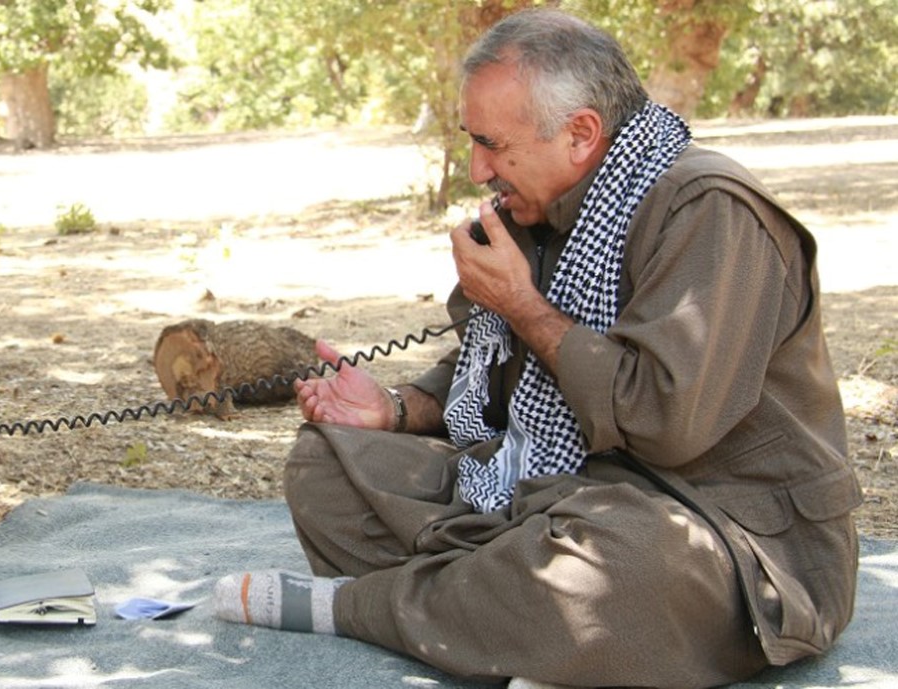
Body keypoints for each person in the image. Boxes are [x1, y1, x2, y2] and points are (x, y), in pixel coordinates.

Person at [211, 7, 861, 689]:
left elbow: (666, 424)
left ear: (581, 134)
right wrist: (397, 410)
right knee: (327, 464)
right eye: (472, 141)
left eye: (492, 144)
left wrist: (524, 306)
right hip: (540, 495)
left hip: (714, 524)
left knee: (608, 564)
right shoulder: (540, 206)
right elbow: (494, 374)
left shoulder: (709, 210)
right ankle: (509, 622)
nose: (475, 167)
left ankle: (365, 607)